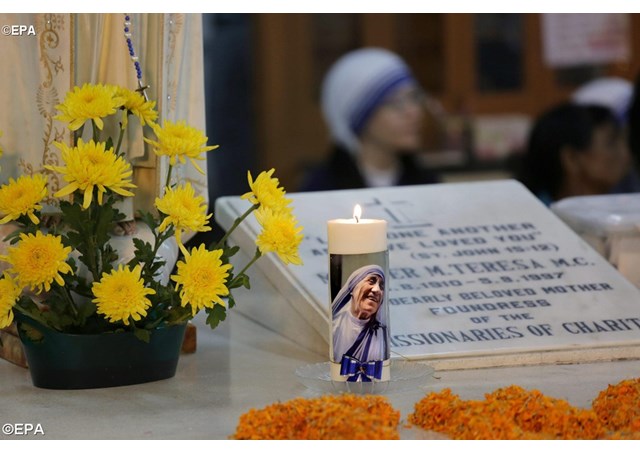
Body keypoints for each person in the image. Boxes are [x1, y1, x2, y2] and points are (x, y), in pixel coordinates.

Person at [299, 47, 440, 192]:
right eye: (396, 103)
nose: (413, 112)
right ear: (360, 116)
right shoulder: (322, 189)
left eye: (414, 97)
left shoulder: (425, 184)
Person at [517, 102, 631, 206]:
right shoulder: (538, 218)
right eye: (611, 143)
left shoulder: (621, 208)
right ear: (571, 158)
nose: (625, 151)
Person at [331, 265, 388, 381]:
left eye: (381, 286)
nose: (377, 290)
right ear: (353, 288)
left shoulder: (381, 334)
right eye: (371, 281)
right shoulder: (335, 325)